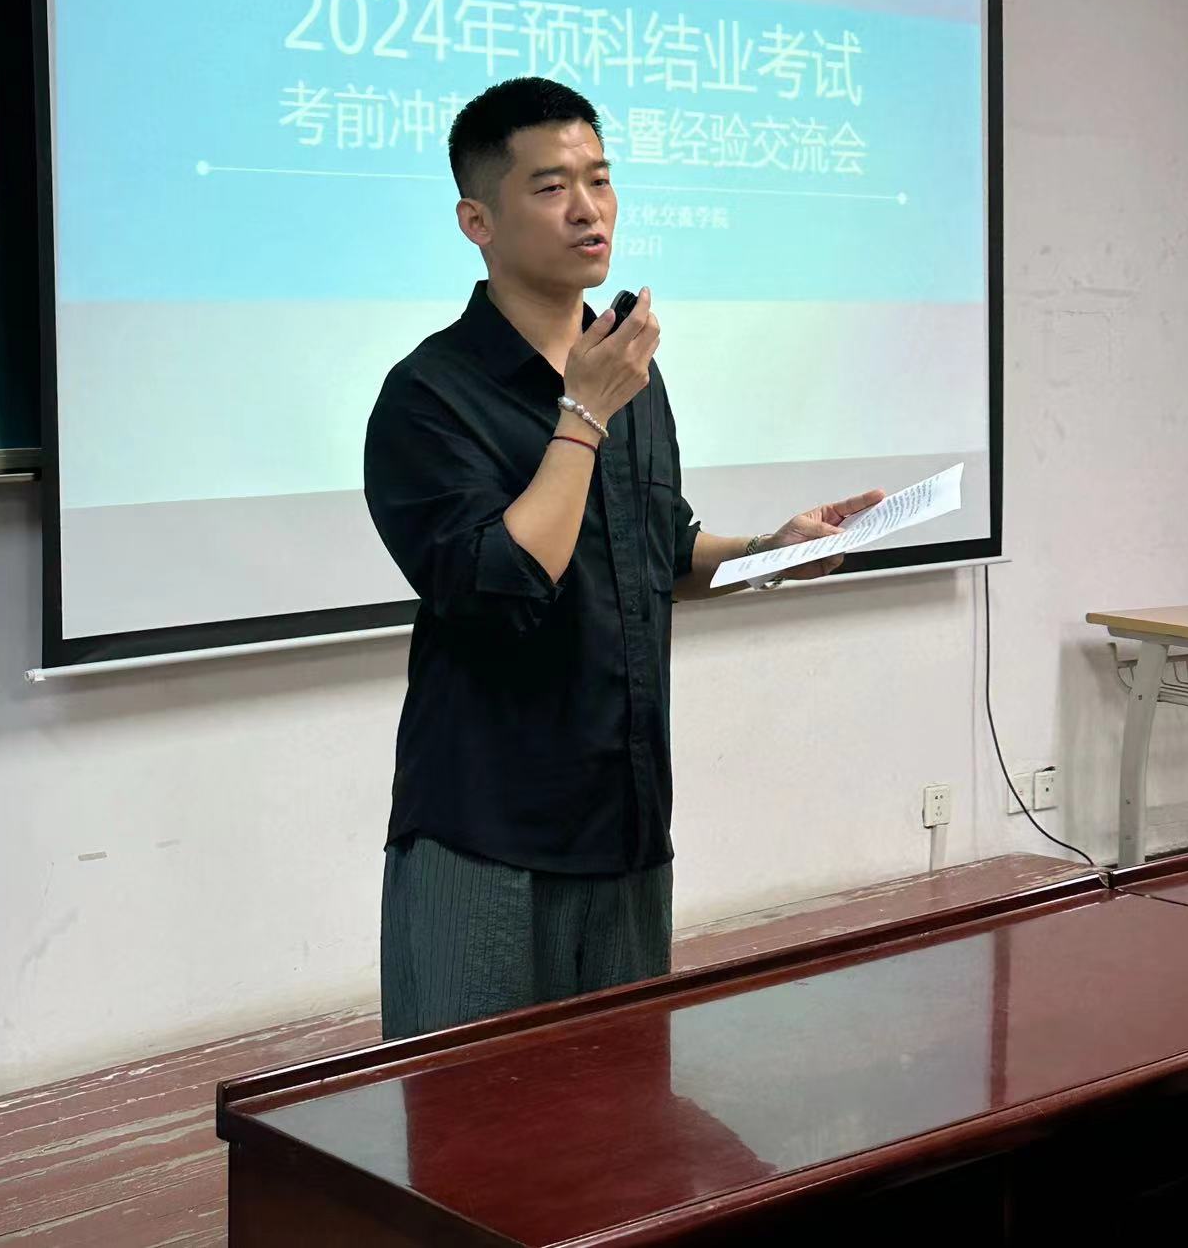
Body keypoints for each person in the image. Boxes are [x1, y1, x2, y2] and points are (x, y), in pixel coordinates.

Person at [364, 77, 881, 1040]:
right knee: (472, 1119)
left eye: (599, 179)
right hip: (486, 836)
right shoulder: (428, 396)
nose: (587, 208)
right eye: (551, 186)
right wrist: (584, 412)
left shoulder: (629, 374)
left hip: (628, 822)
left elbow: (660, 549)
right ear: (477, 220)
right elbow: (504, 588)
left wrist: (769, 554)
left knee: (622, 1115)